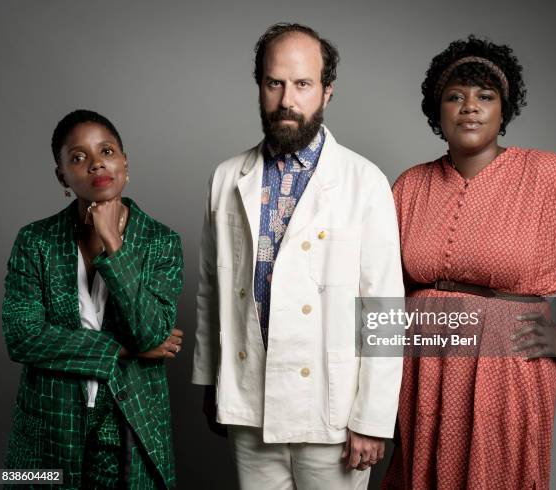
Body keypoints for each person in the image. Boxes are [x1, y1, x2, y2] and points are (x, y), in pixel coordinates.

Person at [382, 36, 556, 489]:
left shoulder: (550, 176)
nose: (470, 107)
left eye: (486, 96)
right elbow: (379, 283)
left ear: (504, 111)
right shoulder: (409, 186)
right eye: (455, 97)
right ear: (436, 111)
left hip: (507, 368)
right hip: (422, 368)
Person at [192, 23, 404, 490]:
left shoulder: (363, 181)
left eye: (303, 84)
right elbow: (212, 288)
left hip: (330, 408)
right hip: (250, 400)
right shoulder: (227, 177)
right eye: (275, 83)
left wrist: (372, 417)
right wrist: (212, 382)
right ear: (260, 87)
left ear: (327, 91)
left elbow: (385, 310)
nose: (288, 99)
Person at [2, 109, 184, 489]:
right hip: (45, 433)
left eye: (107, 151)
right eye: (79, 157)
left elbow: (150, 333)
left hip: (128, 428)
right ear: (62, 176)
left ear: (124, 163)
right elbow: (22, 336)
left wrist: (113, 244)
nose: (96, 163)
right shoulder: (34, 241)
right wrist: (122, 350)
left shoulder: (161, 242)